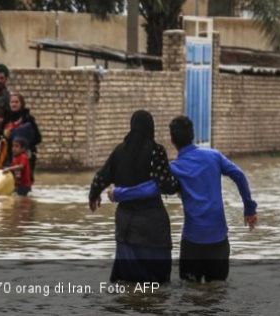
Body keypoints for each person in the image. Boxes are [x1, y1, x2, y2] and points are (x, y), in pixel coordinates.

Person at [111, 116, 258, 282]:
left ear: (172, 140)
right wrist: (249, 208)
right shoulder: (214, 157)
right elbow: (238, 175)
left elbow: (151, 188)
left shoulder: (175, 167)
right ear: (193, 135)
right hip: (218, 241)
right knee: (218, 293)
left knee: (189, 295)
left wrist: (119, 193)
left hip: (192, 243)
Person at [88, 110, 180, 283]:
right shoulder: (156, 151)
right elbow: (165, 185)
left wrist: (93, 196)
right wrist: (178, 185)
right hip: (153, 225)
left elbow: (101, 177)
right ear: (151, 128)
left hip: (126, 225)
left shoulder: (120, 151)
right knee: (156, 286)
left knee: (126, 282)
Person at [1, 93, 42, 181]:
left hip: (26, 156)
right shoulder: (6, 119)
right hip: (9, 156)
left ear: (21, 104)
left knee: (25, 181)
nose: (14, 104)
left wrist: (24, 147)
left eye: (16, 102)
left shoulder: (28, 119)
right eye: (12, 102)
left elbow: (38, 138)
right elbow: (1, 137)